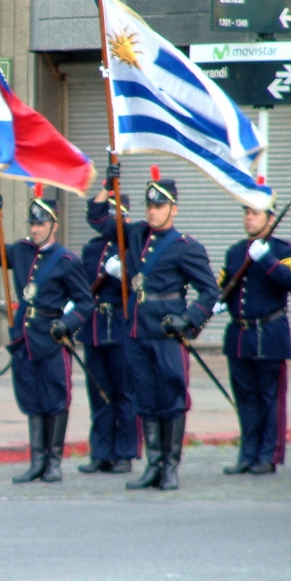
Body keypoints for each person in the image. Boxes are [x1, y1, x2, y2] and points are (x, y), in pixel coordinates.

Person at [88, 165, 219, 490]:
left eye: (159, 206)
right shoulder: (135, 234)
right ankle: (153, 464)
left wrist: (188, 320)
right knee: (144, 397)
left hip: (168, 331)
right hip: (137, 330)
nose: (152, 211)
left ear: (173, 208)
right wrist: (108, 184)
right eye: (149, 206)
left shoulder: (186, 246)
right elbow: (97, 217)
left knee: (172, 397)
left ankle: (171, 467)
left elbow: (210, 291)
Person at [0, 187, 94, 484]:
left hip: (52, 335)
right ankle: (37, 460)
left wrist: (67, 325)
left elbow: (85, 302)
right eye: (32, 224)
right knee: (31, 398)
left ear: (54, 225)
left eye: (41, 224)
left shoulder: (66, 260)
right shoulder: (20, 250)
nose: (35, 229)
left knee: (56, 398)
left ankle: (54, 461)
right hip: (25, 336)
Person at [216, 200, 291, 475]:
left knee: (270, 399)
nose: (248, 218)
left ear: (270, 218)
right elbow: (224, 287)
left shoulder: (285, 250)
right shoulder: (235, 252)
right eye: (246, 213)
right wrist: (217, 303)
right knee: (246, 400)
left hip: (270, 335)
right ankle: (247, 453)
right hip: (240, 337)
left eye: (254, 213)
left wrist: (266, 259)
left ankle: (268, 455)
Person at [76, 193, 138, 474]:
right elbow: (82, 286)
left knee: (124, 393)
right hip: (94, 328)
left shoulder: (133, 245)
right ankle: (101, 451)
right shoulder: (91, 249)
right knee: (99, 393)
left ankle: (124, 452)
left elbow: (138, 282)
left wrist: (124, 273)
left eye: (117, 215)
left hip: (121, 325)